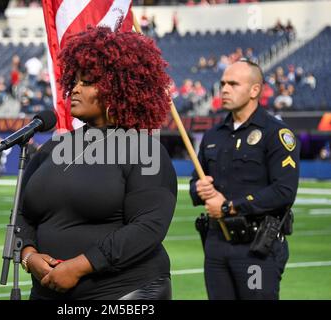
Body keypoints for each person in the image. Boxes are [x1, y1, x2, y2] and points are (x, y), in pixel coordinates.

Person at [16, 26, 177, 300]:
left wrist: (80, 266)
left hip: (124, 293)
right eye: (74, 81)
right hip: (47, 292)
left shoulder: (144, 149)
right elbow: (21, 214)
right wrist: (29, 255)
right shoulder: (52, 148)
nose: (74, 90)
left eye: (87, 82)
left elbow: (148, 227)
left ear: (117, 89)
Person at [189, 59, 300, 300]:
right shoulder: (212, 135)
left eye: (233, 84)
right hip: (216, 244)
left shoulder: (276, 133)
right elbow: (194, 187)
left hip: (256, 247)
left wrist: (229, 207)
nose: (225, 89)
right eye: (223, 84)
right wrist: (199, 188)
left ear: (254, 90)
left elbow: (284, 191)